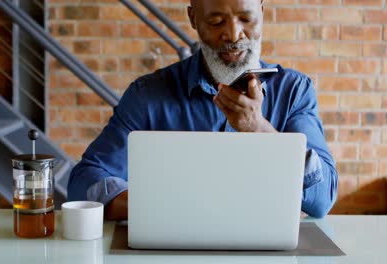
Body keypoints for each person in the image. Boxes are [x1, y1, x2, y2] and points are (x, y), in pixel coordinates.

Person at [67, 0, 338, 220]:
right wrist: (160, 208)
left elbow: (322, 198)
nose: (233, 34)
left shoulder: (294, 91)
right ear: (193, 18)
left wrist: (259, 128)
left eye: (246, 19)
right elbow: (84, 181)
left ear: (262, 13)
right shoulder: (147, 96)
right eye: (216, 21)